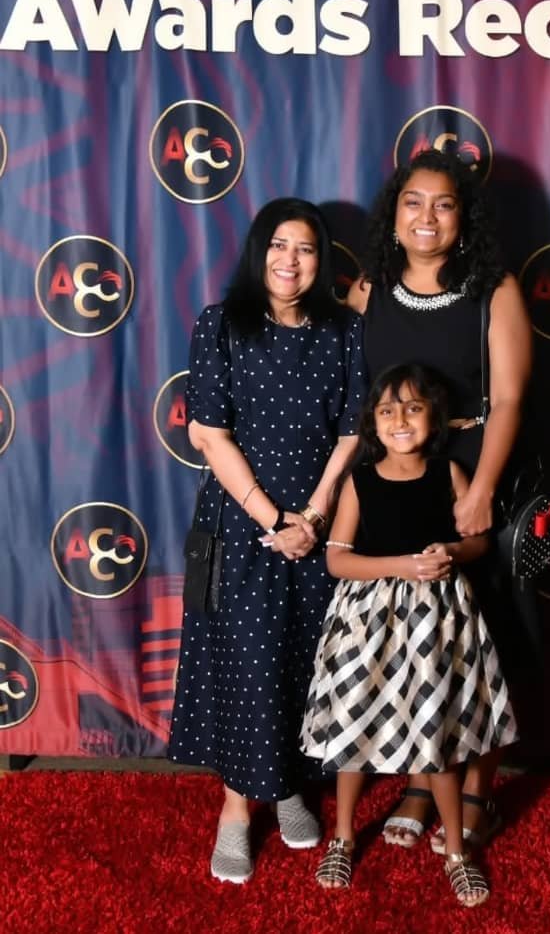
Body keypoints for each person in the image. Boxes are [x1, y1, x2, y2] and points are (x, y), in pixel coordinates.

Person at [169, 197, 367, 884]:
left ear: (322, 261)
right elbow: (209, 432)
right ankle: (235, 810)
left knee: (305, 660)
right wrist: (270, 518)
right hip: (241, 525)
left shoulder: (344, 330)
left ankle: (287, 788)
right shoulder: (221, 324)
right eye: (279, 245)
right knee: (245, 663)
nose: (291, 260)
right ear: (259, 252)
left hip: (318, 525)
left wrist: (313, 515)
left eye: (306, 248)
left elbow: (353, 429)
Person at [347, 148, 532, 853]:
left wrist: (481, 490)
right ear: (394, 216)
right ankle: (425, 781)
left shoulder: (494, 289)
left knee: (484, 638)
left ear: (464, 218)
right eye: (413, 202)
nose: (427, 217)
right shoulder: (370, 290)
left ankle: (478, 788)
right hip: (398, 477)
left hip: (472, 468)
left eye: (444, 204)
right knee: (418, 638)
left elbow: (509, 398)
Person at [301, 363, 517, 906]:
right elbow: (337, 561)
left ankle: (457, 854)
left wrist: (453, 550)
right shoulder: (359, 481)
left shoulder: (449, 473)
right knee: (352, 728)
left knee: (434, 732)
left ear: (434, 419)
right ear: (373, 423)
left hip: (436, 622)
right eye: (387, 410)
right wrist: (400, 565)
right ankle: (344, 838)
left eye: (414, 409)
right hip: (367, 624)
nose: (400, 420)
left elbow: (479, 541)